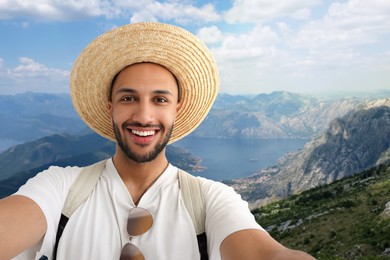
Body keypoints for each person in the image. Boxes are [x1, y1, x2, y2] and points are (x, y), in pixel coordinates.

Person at [0, 22, 315, 260]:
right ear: (110, 106)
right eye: (128, 97)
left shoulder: (211, 200)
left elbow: (268, 254)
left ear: (177, 108)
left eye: (160, 100)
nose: (144, 115)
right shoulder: (61, 188)